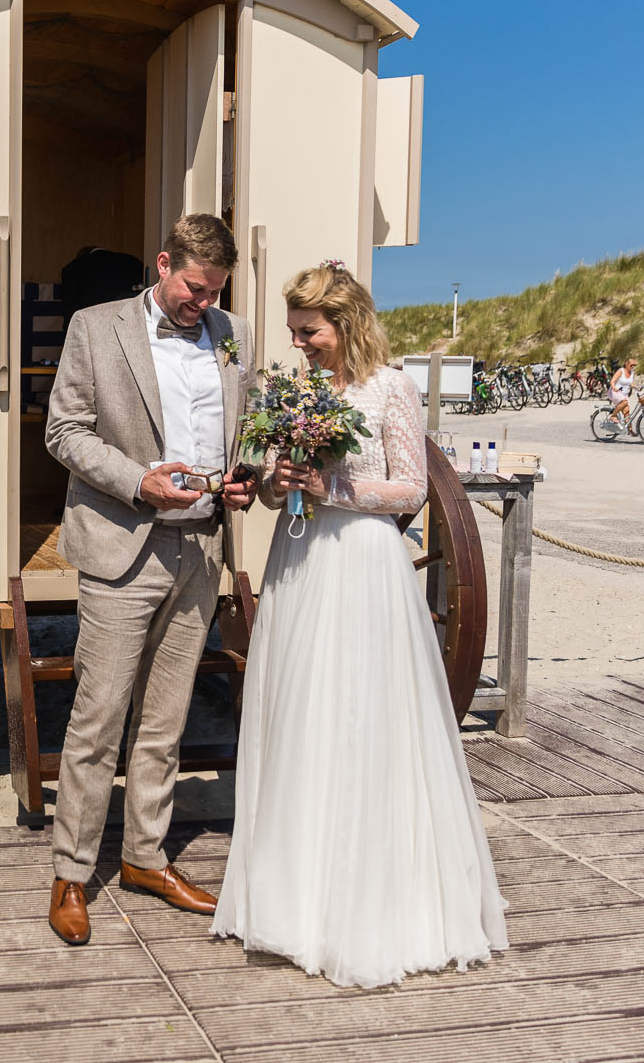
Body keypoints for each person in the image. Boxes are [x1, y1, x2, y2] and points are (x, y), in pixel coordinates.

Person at [211, 263, 508, 988]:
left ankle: (370, 907)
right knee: (300, 716)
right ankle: (293, 899)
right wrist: (282, 484)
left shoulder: (391, 388)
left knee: (361, 721)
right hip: (302, 561)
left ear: (344, 325)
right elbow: (285, 493)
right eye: (294, 335)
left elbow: (409, 486)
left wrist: (334, 487)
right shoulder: (305, 393)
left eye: (308, 333)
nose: (300, 345)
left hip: (364, 567)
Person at [41, 213, 257, 946]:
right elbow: (63, 431)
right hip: (122, 548)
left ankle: (144, 859)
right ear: (164, 265)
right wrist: (139, 481)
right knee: (97, 720)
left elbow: (243, 428)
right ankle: (71, 872)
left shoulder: (235, 332)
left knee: (164, 723)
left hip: (200, 551)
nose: (204, 305)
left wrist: (240, 482)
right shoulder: (94, 327)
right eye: (195, 290)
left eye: (215, 293)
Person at [610, 357, 640, 435]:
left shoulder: (632, 372)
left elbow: (630, 383)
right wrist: (614, 387)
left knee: (627, 412)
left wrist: (636, 387)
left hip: (624, 394)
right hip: (615, 392)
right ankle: (613, 416)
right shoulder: (621, 371)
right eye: (631, 365)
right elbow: (612, 381)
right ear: (626, 363)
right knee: (625, 402)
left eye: (634, 365)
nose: (633, 366)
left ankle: (630, 430)